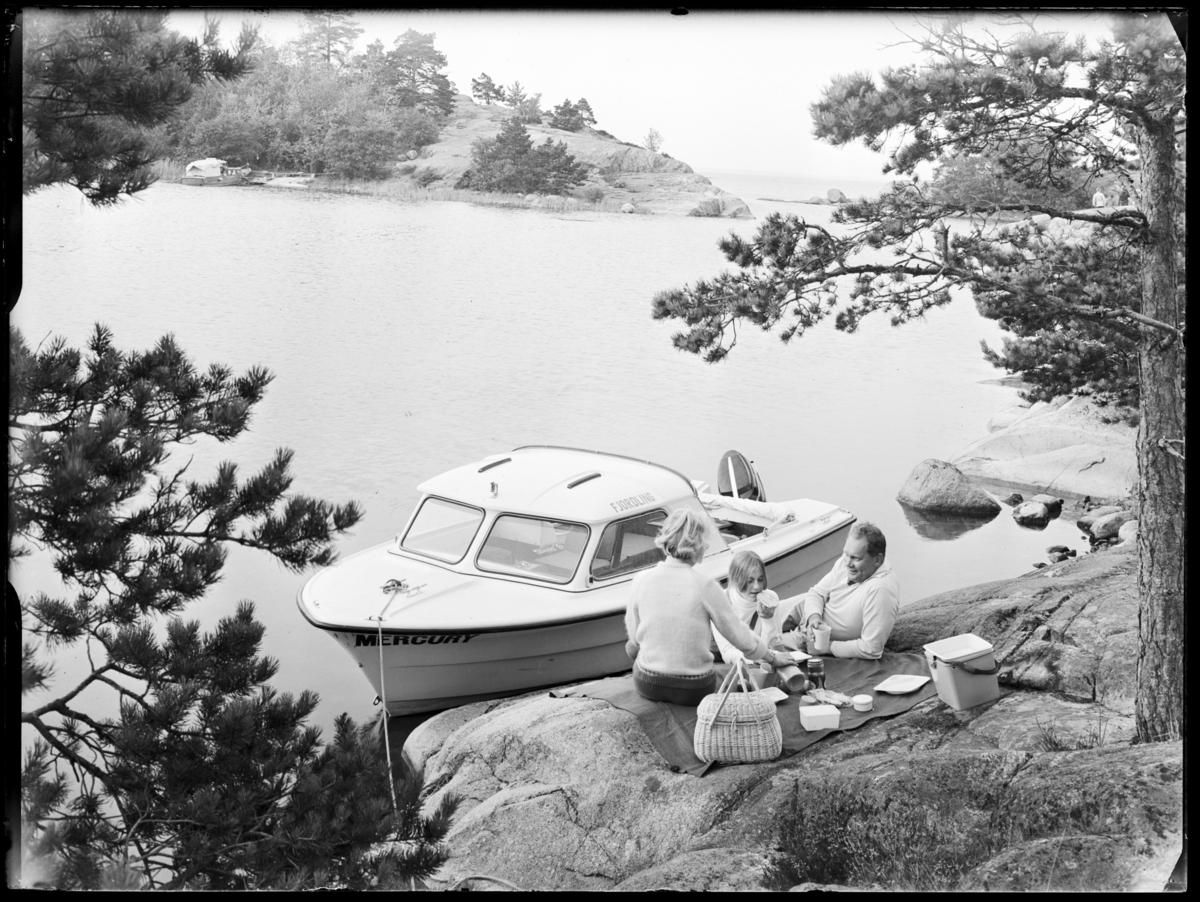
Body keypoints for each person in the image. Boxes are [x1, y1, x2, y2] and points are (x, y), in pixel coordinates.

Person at [624, 509, 794, 705]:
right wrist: (772, 658)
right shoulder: (706, 586)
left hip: (648, 684)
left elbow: (634, 638)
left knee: (632, 647)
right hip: (693, 688)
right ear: (699, 545)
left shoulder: (641, 579)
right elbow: (739, 635)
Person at [783, 521, 899, 660]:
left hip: (812, 641)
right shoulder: (847, 563)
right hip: (807, 616)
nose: (848, 563)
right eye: (846, 554)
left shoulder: (881, 590)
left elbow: (871, 648)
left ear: (877, 560)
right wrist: (814, 618)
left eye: (856, 558)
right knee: (764, 617)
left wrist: (827, 647)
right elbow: (816, 593)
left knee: (768, 645)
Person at [711, 550, 796, 665]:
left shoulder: (771, 598)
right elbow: (728, 653)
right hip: (722, 663)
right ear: (736, 579)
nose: (757, 587)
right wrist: (764, 657)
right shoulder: (721, 601)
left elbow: (774, 648)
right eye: (749, 581)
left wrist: (768, 620)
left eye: (760, 579)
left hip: (757, 661)